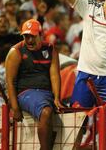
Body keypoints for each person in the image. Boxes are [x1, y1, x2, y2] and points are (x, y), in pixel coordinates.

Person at [5, 19, 63, 150]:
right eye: (26, 36)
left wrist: (57, 98)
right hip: (25, 92)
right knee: (46, 112)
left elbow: (55, 75)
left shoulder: (50, 49)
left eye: (32, 36)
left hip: (46, 93)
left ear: (40, 35)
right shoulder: (16, 52)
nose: (29, 40)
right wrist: (15, 108)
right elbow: (10, 81)